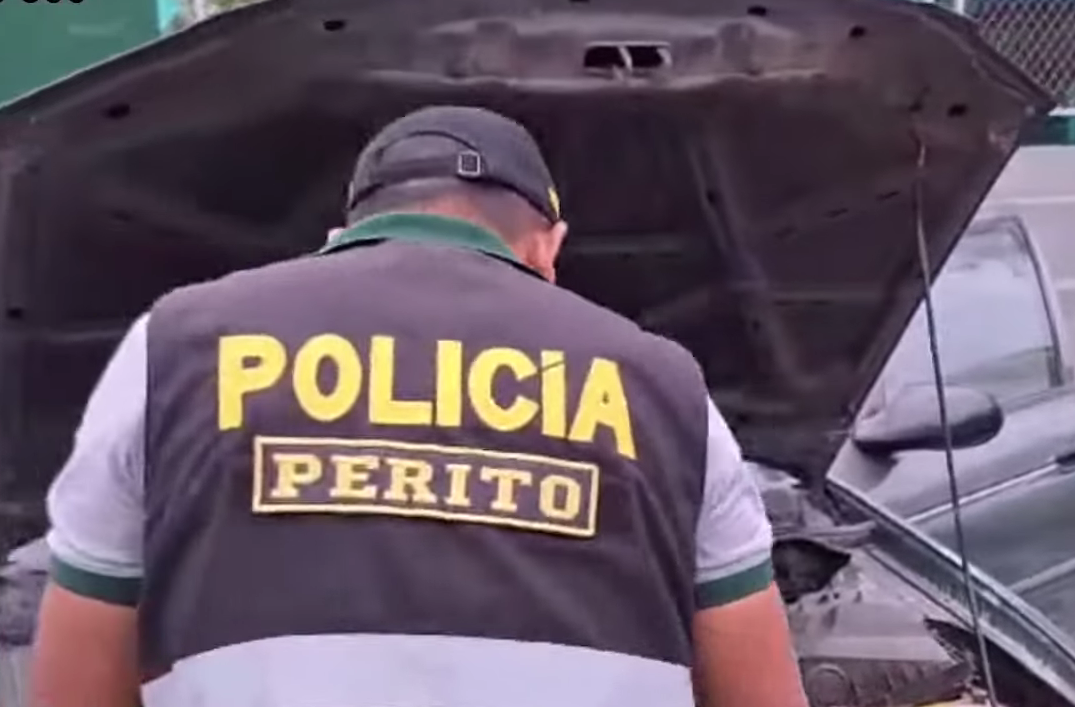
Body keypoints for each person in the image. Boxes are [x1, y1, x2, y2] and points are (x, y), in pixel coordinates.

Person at [31, 105, 808, 707]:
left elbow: (77, 674)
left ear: (344, 233)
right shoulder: (665, 386)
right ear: (548, 246)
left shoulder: (172, 344)